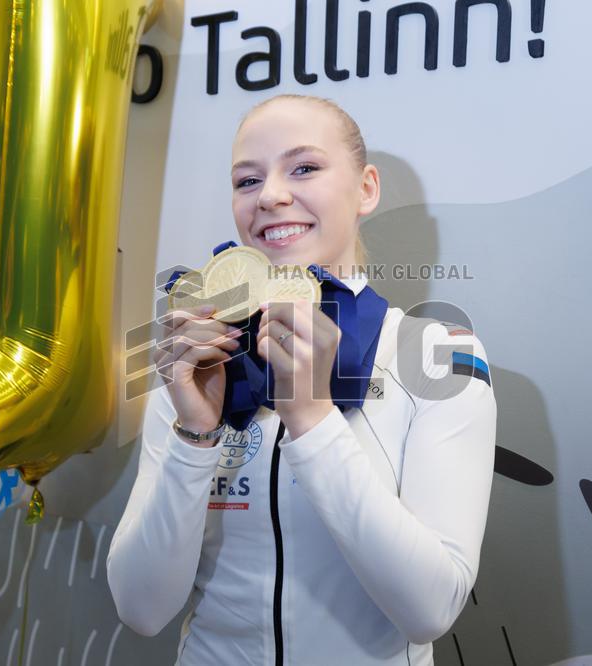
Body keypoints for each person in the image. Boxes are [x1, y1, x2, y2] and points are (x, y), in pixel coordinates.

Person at [106, 94, 497, 666]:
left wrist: (311, 418)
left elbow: (429, 609)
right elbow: (141, 609)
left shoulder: (438, 355)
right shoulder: (194, 358)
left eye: (304, 168)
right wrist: (194, 435)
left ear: (366, 188)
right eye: (246, 180)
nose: (269, 196)